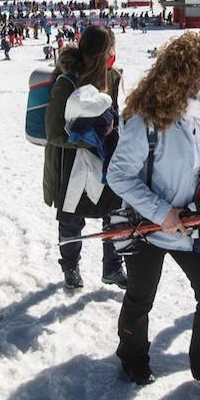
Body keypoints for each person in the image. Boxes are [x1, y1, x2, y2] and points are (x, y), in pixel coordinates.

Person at [107, 32, 200, 393]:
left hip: (192, 224)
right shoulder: (147, 119)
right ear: (186, 74)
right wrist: (163, 213)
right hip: (147, 224)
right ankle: (132, 357)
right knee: (140, 295)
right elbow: (118, 174)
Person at [43, 25, 126, 289]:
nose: (114, 53)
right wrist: (87, 136)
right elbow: (54, 132)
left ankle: (112, 268)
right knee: (71, 218)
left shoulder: (113, 77)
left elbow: (116, 114)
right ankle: (70, 266)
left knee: (114, 213)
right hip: (71, 163)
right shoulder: (66, 81)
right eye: (111, 48)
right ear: (104, 51)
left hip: (106, 159)